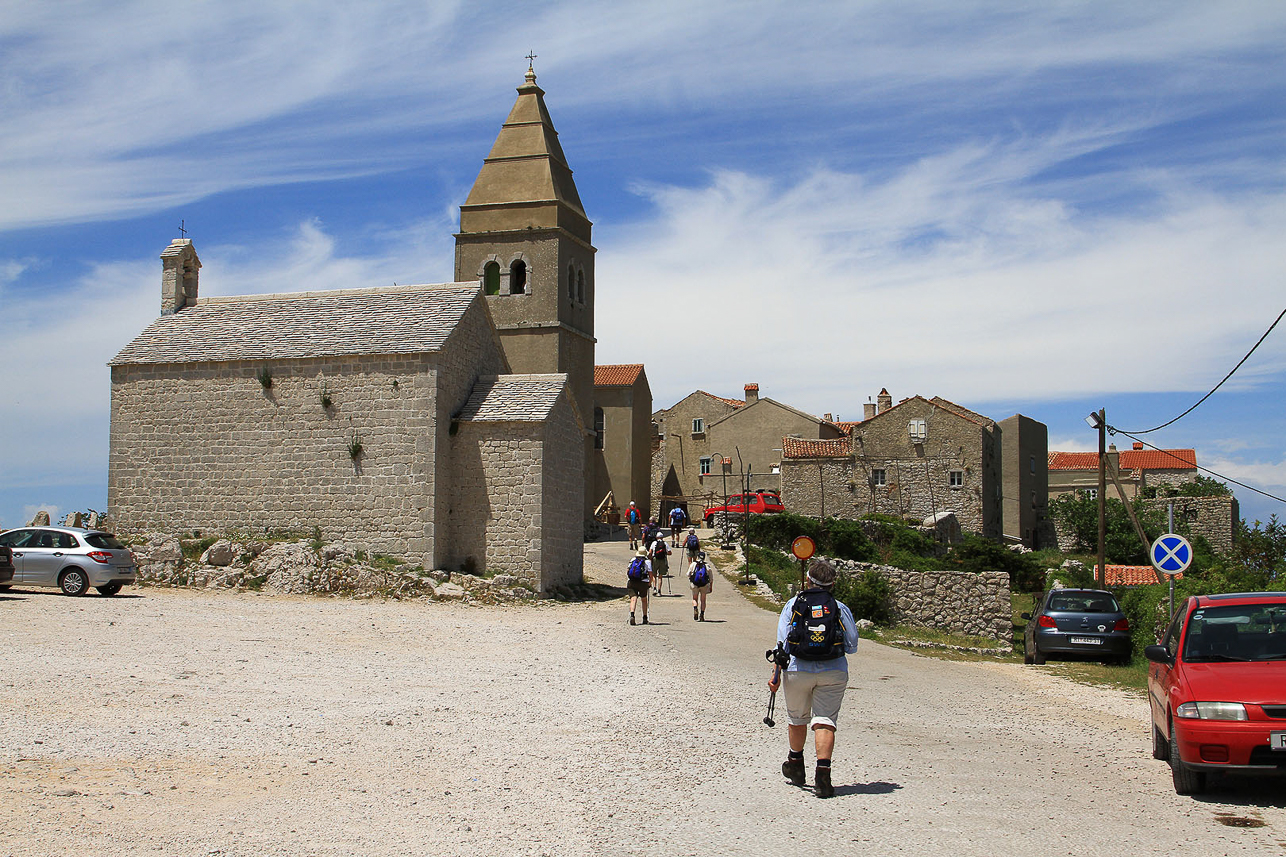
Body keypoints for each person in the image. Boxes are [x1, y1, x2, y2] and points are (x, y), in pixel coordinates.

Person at [767, 558, 859, 799]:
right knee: (825, 720)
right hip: (834, 670)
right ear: (832, 584)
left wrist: (775, 675)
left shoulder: (793, 605)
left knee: (797, 718)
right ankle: (823, 778)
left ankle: (796, 765)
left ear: (808, 580)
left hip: (798, 669)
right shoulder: (839, 607)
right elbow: (852, 645)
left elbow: (782, 644)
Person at [626, 548, 652, 625]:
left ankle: (632, 615)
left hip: (632, 581)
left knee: (633, 599)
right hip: (643, 582)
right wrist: (649, 583)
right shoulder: (647, 562)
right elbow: (650, 575)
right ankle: (644, 617)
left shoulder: (633, 559)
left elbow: (628, 571)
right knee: (644, 599)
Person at [688, 550, 713, 621]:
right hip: (704, 585)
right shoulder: (707, 566)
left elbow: (688, 574)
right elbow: (711, 578)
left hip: (695, 584)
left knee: (694, 598)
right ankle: (702, 614)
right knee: (703, 600)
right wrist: (710, 587)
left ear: (698, 557)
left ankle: (695, 608)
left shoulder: (693, 564)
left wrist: (691, 578)